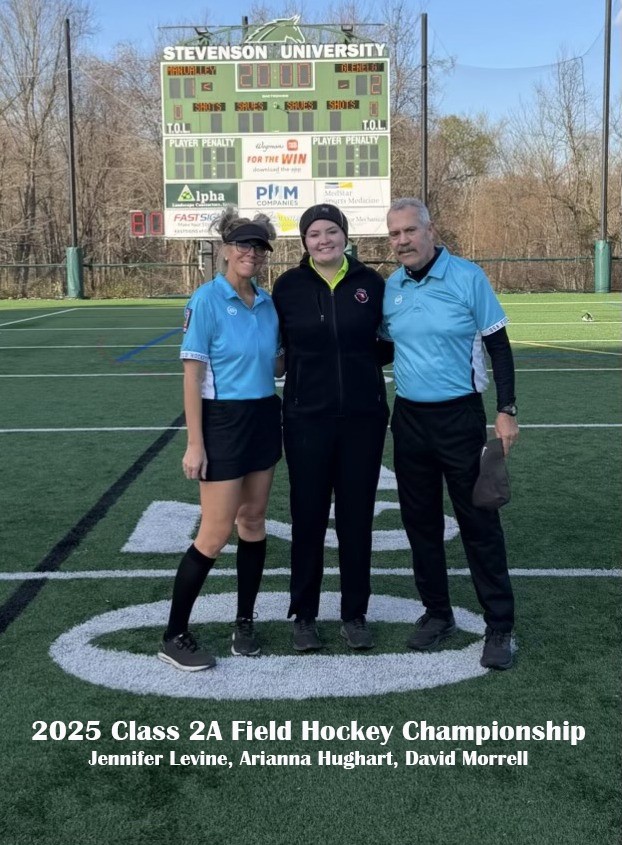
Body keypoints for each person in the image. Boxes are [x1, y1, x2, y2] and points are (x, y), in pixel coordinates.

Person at [382, 197, 519, 670]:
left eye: (409, 231)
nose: (402, 241)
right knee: (420, 523)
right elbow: (383, 347)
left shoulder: (467, 277)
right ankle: (437, 613)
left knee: (479, 522)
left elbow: (499, 346)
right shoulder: (392, 287)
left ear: (430, 230)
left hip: (460, 418)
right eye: (394, 234)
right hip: (409, 420)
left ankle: (499, 626)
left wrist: (506, 409)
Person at [158, 208, 282, 671]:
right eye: (244, 245)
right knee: (213, 534)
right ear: (227, 250)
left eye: (260, 247)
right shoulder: (206, 299)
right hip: (223, 422)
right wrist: (196, 443)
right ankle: (174, 634)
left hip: (264, 416)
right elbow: (192, 377)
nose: (252, 253)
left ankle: (244, 621)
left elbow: (277, 363)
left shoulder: (267, 303)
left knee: (253, 521)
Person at [272, 204, 391, 652]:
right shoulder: (288, 286)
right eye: (314, 234)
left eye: (331, 231)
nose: (324, 240)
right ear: (304, 242)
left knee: (357, 519)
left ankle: (354, 614)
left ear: (345, 234)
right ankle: (304, 615)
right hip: (306, 419)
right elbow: (277, 351)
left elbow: (387, 345)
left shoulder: (371, 282)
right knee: (308, 519)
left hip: (363, 419)